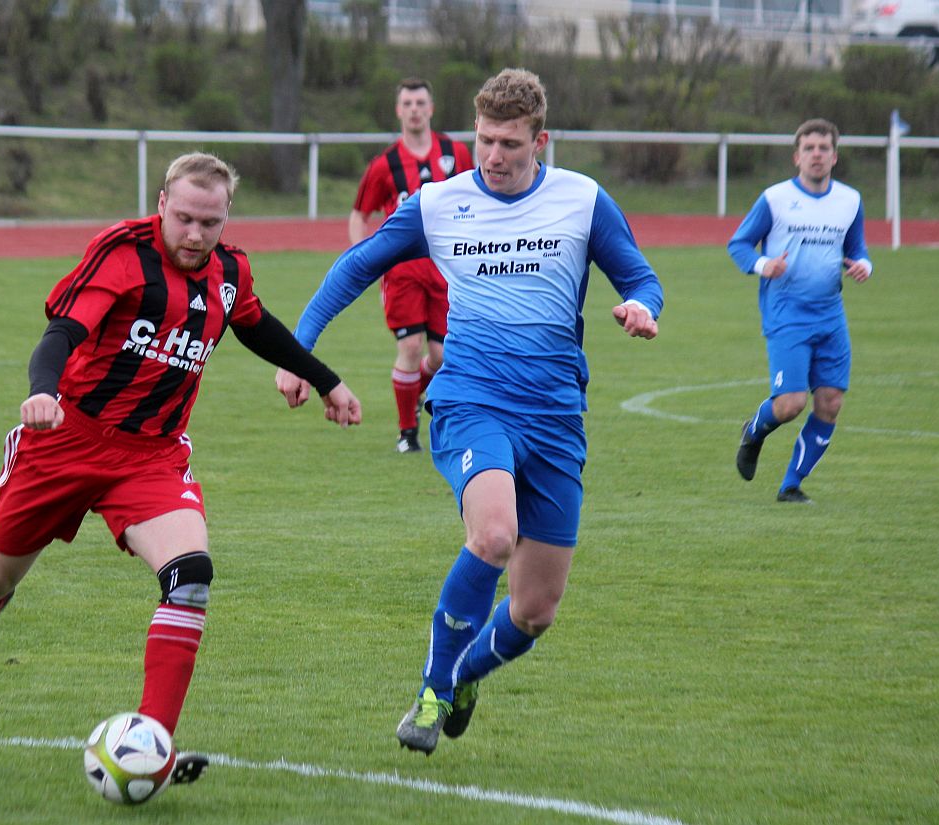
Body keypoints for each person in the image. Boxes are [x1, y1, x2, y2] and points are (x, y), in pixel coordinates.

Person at [277, 69, 663, 757]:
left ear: (540, 140)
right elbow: (355, 265)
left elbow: (639, 274)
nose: (492, 155)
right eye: (485, 139)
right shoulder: (438, 203)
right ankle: (432, 688)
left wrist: (642, 307)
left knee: (535, 609)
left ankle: (463, 677)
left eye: (510, 143)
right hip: (471, 399)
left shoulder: (582, 200)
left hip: (555, 416)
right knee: (492, 535)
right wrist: (299, 350)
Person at [0, 153, 361, 787]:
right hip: (66, 439)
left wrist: (324, 379)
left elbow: (254, 325)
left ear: (227, 217)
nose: (196, 235)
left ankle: (152, 745)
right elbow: (62, 332)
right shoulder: (121, 253)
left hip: (152, 455)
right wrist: (43, 390)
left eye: (211, 223)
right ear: (162, 201)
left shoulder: (230, 270)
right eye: (186, 219)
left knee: (190, 576)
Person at [727, 118, 871, 505]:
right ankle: (753, 432)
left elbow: (857, 248)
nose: (817, 154)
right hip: (786, 312)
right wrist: (763, 265)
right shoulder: (774, 199)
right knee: (791, 404)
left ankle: (791, 484)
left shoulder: (850, 201)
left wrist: (863, 265)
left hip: (830, 315)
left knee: (831, 402)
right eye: (809, 148)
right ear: (797, 156)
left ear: (835, 156)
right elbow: (739, 244)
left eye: (824, 148)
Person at [350, 77, 474, 453]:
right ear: (399, 110)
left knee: (439, 357)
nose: (415, 109)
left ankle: (412, 394)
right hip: (402, 272)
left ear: (431, 109)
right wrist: (364, 262)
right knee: (411, 346)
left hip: (446, 271)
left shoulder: (456, 153)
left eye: (421, 102)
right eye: (408, 103)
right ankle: (408, 434)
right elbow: (360, 214)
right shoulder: (385, 164)